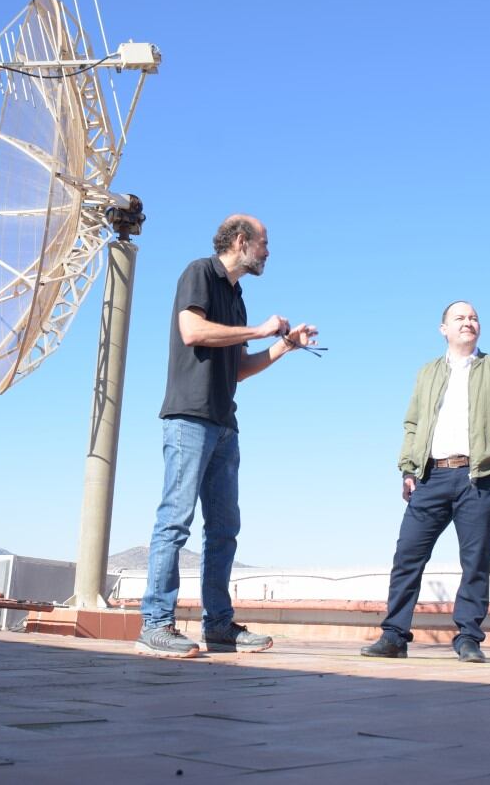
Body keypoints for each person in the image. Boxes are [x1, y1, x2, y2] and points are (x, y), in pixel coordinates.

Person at [137, 214, 319, 658]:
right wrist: (259, 329)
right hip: (188, 419)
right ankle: (156, 624)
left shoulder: (237, 298)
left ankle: (218, 626)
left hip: (224, 424)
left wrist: (283, 346)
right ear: (242, 241)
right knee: (175, 521)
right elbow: (192, 331)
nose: (268, 251)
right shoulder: (199, 272)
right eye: (264, 242)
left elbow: (237, 369)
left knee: (223, 529)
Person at [362, 301, 490, 663]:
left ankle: (468, 638)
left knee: (475, 561)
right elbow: (412, 424)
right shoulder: (427, 373)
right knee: (407, 555)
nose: (468, 322)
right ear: (443, 328)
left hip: (479, 479)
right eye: (459, 318)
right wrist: (408, 468)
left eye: (473, 317)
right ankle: (394, 635)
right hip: (430, 477)